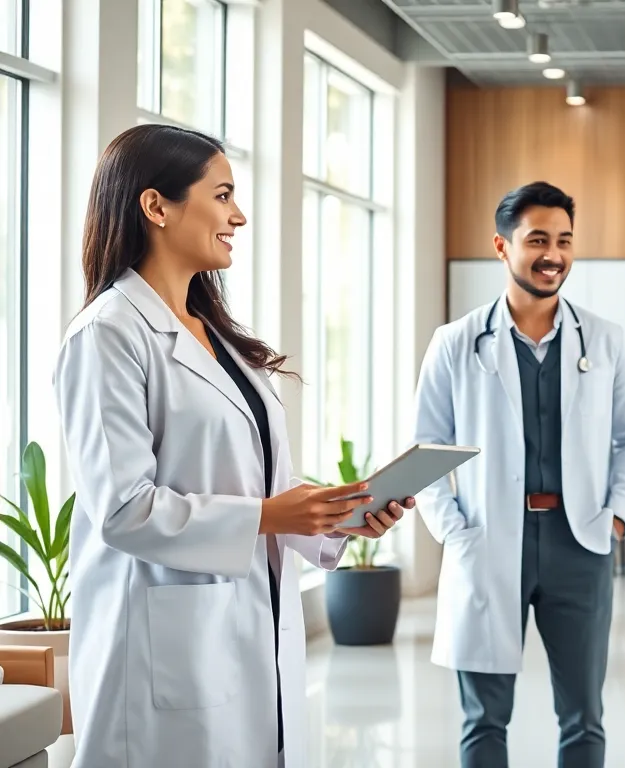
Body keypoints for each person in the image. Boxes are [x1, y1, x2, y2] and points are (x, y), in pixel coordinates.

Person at [53, 124, 410, 768]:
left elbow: (260, 485)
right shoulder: (108, 335)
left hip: (248, 627)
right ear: (156, 206)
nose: (237, 216)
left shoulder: (215, 336)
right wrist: (271, 516)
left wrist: (338, 514)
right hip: (165, 649)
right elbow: (122, 510)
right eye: (222, 196)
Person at [412, 180, 625, 768]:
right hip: (490, 541)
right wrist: (453, 531)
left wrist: (618, 517)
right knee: (484, 720)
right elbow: (425, 447)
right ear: (502, 246)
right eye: (538, 239)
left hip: (582, 543)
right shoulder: (455, 343)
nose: (554, 254)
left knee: (584, 717)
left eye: (565, 240)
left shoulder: (606, 340)